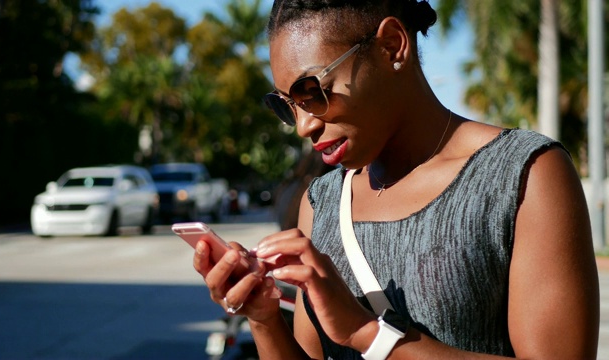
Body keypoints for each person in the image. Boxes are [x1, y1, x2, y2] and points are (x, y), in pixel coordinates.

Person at [193, 0, 600, 358]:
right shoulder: (322, 201)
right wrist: (263, 317)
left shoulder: (522, 174)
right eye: (287, 106)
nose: (302, 126)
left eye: (313, 91)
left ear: (392, 46)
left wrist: (368, 334)